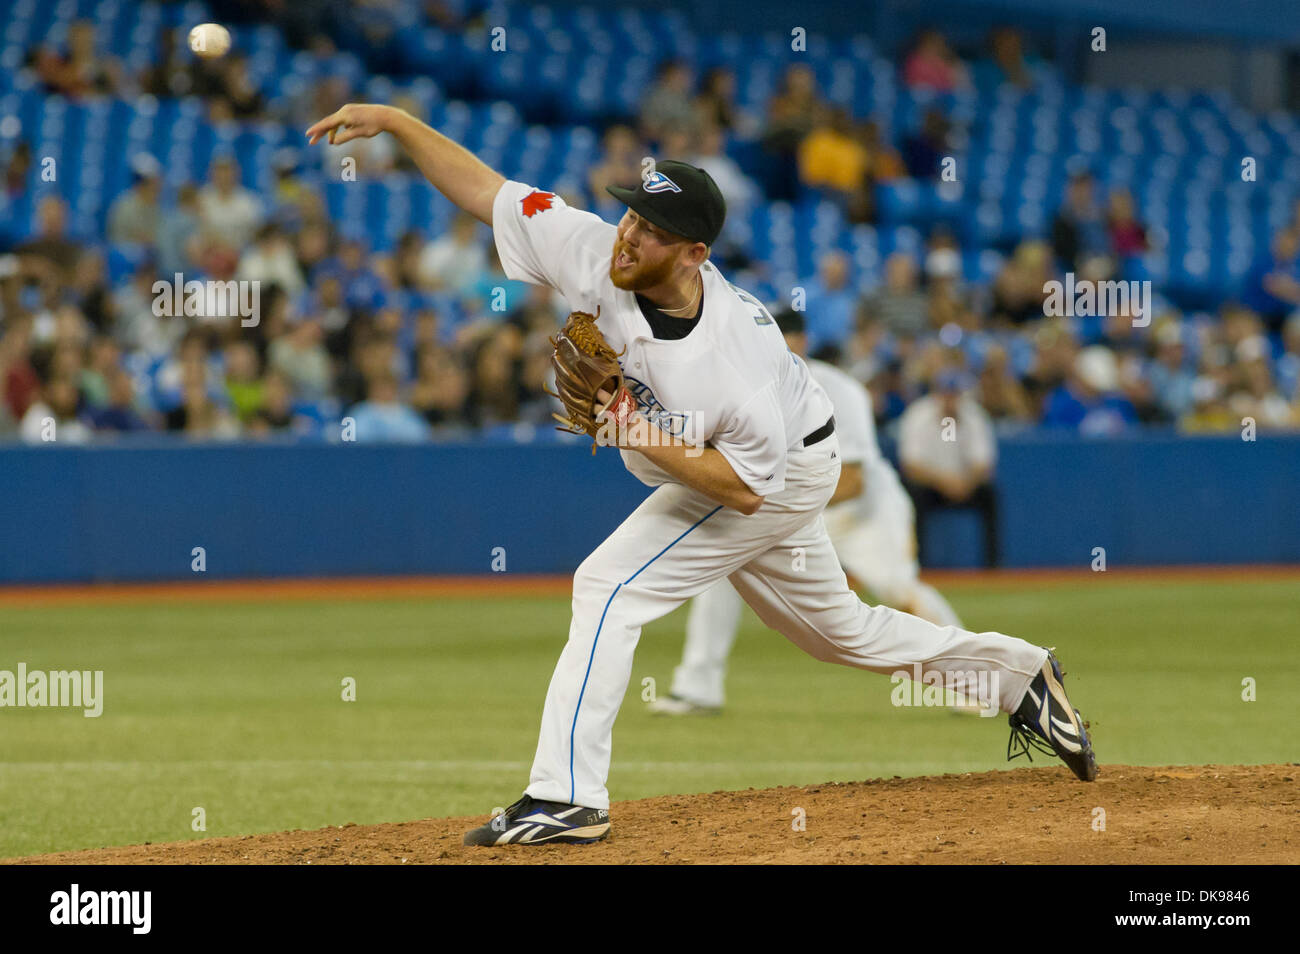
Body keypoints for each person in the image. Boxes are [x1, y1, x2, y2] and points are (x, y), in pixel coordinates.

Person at [305, 103, 1099, 847]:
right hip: (755, 464)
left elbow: (743, 490)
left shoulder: (731, 358)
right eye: (630, 212)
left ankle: (567, 796)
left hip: (778, 472)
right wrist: (399, 124)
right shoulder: (593, 248)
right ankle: (1020, 675)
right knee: (839, 634)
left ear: (694, 253)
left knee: (607, 586)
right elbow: (488, 191)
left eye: (651, 230)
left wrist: (632, 426)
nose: (628, 235)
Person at [652, 310, 965, 715]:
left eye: (785, 338)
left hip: (861, 512)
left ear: (801, 342)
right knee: (723, 572)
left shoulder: (839, 389)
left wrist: (773, 504)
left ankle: (970, 679)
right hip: (791, 506)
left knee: (897, 589)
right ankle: (698, 686)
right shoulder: (743, 388)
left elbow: (854, 480)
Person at [898, 368, 1001, 567]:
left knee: (990, 494)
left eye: (954, 394)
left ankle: (993, 567)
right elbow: (911, 465)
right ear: (936, 393)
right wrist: (944, 481)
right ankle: (918, 565)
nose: (950, 399)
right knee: (913, 495)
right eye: (946, 393)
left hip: (965, 484)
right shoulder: (918, 415)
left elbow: (984, 464)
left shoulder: (974, 415)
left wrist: (964, 483)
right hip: (929, 486)